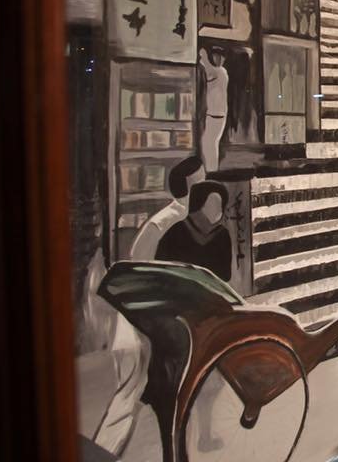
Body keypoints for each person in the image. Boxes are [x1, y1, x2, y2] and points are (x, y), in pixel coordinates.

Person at [93, 157, 205, 457]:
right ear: (189, 187)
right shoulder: (164, 223)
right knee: (131, 391)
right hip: (141, 324)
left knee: (175, 395)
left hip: (163, 325)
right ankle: (102, 453)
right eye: (202, 181)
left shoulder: (189, 221)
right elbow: (136, 272)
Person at [156, 180, 232, 282]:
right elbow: (161, 270)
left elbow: (225, 275)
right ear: (198, 204)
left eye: (220, 205)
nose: (219, 210)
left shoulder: (222, 235)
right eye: (213, 204)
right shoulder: (175, 232)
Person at [199, 46, 228, 172]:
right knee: (211, 144)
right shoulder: (221, 71)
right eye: (216, 56)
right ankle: (211, 170)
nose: (219, 59)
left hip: (215, 115)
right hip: (216, 114)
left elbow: (209, 71)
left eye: (220, 57)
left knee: (208, 144)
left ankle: (211, 171)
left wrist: (203, 54)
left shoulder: (220, 71)